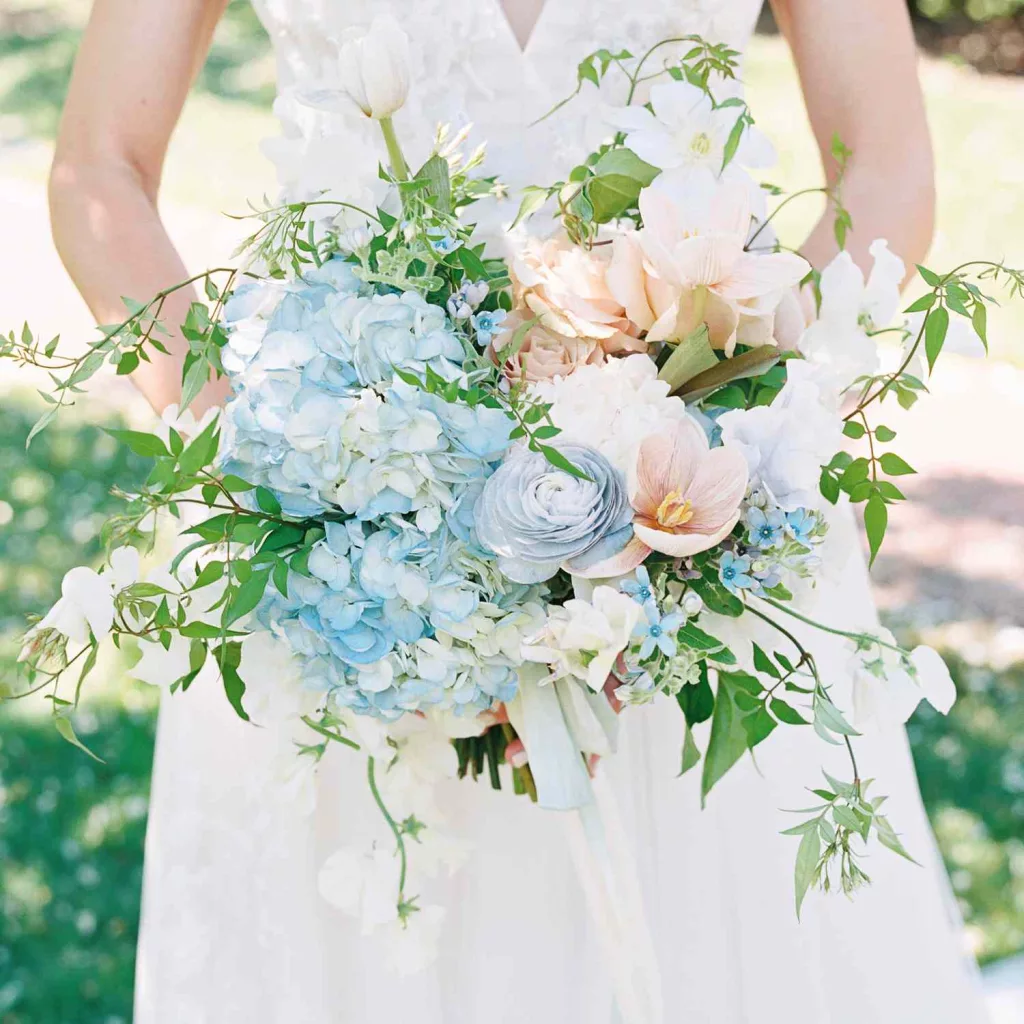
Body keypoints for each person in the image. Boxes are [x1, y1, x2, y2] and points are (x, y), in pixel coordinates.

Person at [49, 1, 988, 1021]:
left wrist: (739, 445)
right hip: (345, 563)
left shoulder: (711, 491)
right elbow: (100, 166)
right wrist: (288, 459)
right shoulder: (321, 502)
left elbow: (883, 166)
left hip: (699, 544)